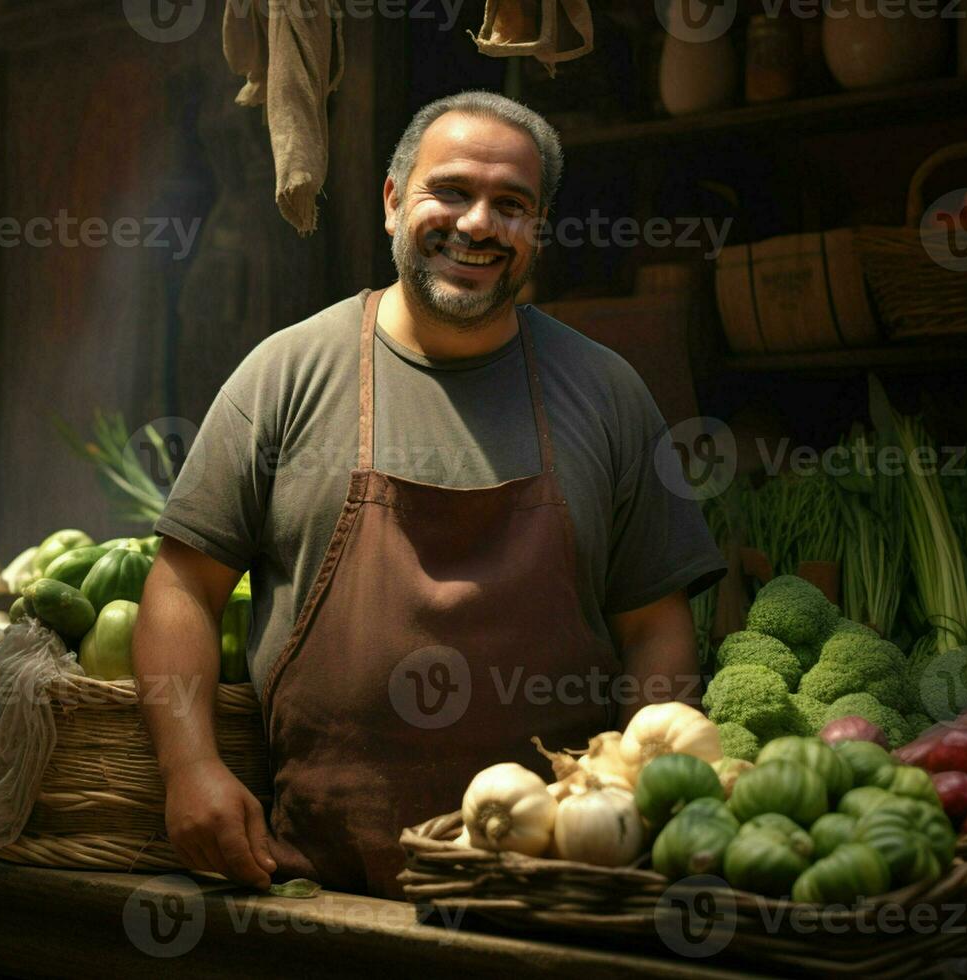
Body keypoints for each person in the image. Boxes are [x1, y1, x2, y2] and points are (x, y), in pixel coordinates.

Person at [136, 90, 726, 899]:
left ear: (539, 229)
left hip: (550, 889)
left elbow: (656, 625)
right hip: (315, 887)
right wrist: (189, 767)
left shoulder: (606, 393)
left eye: (510, 205)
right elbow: (181, 586)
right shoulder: (287, 374)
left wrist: (636, 802)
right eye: (449, 191)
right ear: (391, 202)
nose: (478, 223)